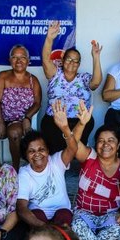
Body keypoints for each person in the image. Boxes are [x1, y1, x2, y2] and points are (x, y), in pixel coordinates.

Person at [69, 101, 120, 240]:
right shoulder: (89, 158)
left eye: (111, 140)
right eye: (101, 140)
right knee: (77, 226)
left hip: (108, 216)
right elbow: (72, 144)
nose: (106, 145)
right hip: (84, 213)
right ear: (95, 144)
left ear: (119, 144)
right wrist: (81, 123)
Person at [39, 20, 102, 153]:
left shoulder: (84, 78)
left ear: (79, 64)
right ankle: (58, 166)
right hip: (54, 120)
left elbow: (96, 83)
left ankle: (79, 164)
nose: (72, 62)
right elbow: (45, 60)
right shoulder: (55, 74)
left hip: (79, 120)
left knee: (78, 147)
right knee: (56, 149)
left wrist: (96, 57)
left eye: (76, 61)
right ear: (62, 61)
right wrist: (49, 38)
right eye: (69, 59)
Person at [16, 101, 80, 228]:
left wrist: (65, 128)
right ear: (26, 155)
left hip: (61, 210)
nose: (37, 154)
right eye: (31, 151)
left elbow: (72, 149)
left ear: (48, 150)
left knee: (64, 218)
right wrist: (42, 226)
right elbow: (21, 208)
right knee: (36, 217)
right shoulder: (24, 173)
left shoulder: (56, 161)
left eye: (41, 149)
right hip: (39, 215)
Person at [0, 45, 42, 169]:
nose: (18, 61)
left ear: (28, 60)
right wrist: (0, 124)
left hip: (18, 119)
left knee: (14, 133)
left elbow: (37, 103)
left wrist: (27, 118)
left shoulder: (33, 80)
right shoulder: (3, 76)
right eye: (14, 57)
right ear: (10, 60)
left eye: (22, 57)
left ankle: (15, 168)